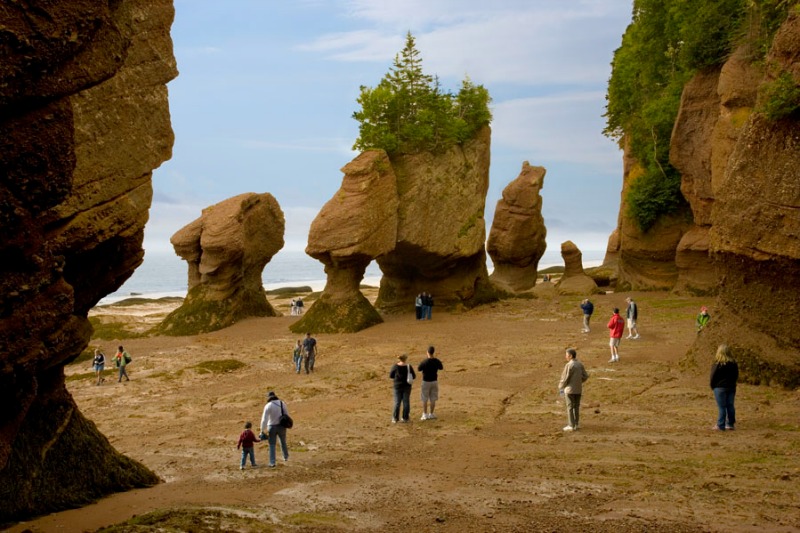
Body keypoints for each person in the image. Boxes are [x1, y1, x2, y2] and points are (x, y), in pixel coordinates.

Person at [558, 348, 589, 431]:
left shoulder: (569, 365)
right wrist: (578, 381)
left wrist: (561, 387)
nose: (566, 357)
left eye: (566, 355)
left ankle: (571, 425)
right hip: (578, 389)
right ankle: (576, 424)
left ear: (570, 356)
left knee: (570, 407)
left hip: (569, 390)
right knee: (576, 407)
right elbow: (585, 376)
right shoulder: (579, 364)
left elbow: (565, 378)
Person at [710, 344, 738, 431]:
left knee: (722, 407)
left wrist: (713, 386)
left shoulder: (718, 364)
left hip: (719, 387)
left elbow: (713, 376)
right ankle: (730, 424)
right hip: (731, 387)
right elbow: (736, 375)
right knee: (730, 405)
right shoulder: (733, 364)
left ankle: (720, 425)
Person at [260, 391, 290, 467]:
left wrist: (262, 430)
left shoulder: (268, 406)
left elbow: (264, 419)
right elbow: (286, 414)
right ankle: (286, 457)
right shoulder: (282, 403)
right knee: (283, 442)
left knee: (272, 445)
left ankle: (272, 462)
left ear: (269, 397)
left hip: (271, 426)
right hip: (282, 426)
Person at [417, 345, 444, 420]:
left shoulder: (425, 362)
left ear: (427, 352)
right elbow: (441, 367)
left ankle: (425, 414)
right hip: (434, 381)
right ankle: (431, 413)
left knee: (424, 398)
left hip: (426, 381)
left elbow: (419, 369)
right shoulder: (436, 361)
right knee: (433, 399)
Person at [389, 354, 415, 423]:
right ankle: (405, 418)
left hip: (397, 386)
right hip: (407, 386)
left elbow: (391, 375)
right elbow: (414, 376)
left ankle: (395, 418)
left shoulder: (395, 366)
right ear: (405, 359)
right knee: (406, 402)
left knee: (397, 402)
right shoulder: (409, 366)